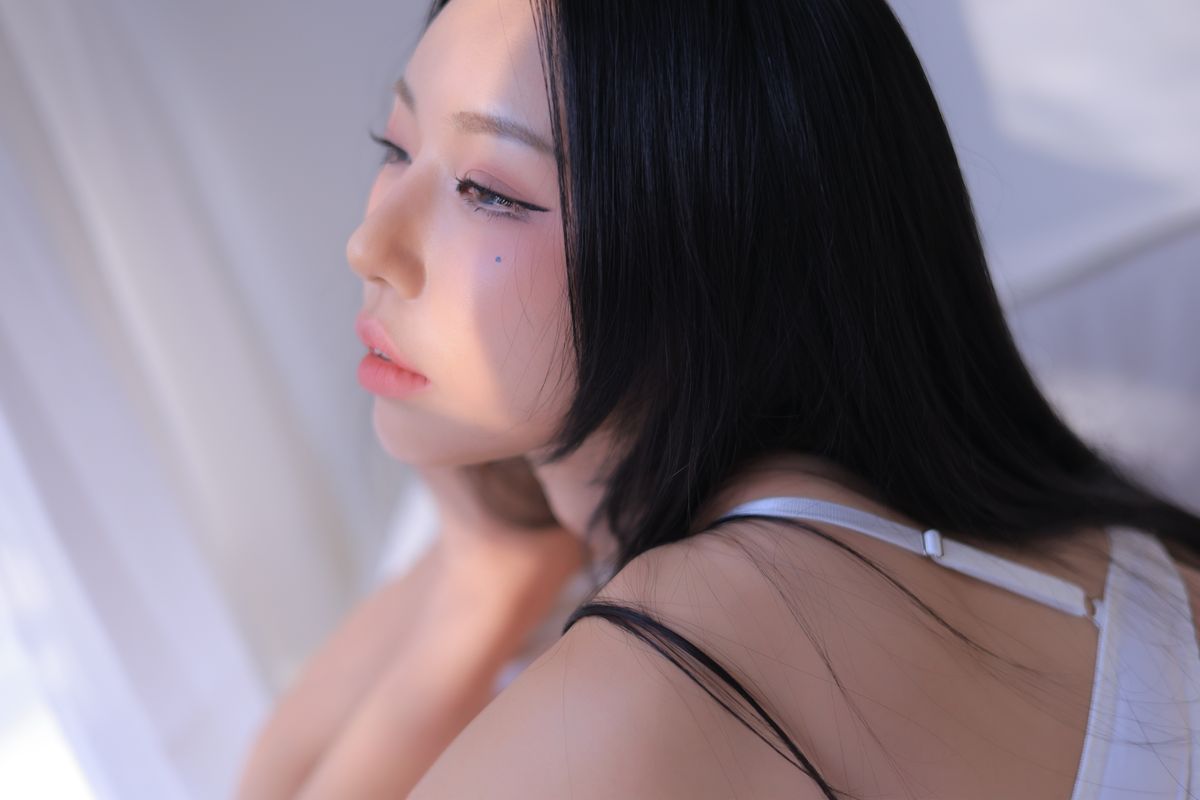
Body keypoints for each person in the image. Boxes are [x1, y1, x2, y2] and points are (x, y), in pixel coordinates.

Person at [238, 0, 1200, 797]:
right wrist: (480, 576)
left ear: (714, 245)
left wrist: (476, 595)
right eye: (396, 145)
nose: (370, 247)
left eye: (490, 191)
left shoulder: (672, 669)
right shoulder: (965, 524)